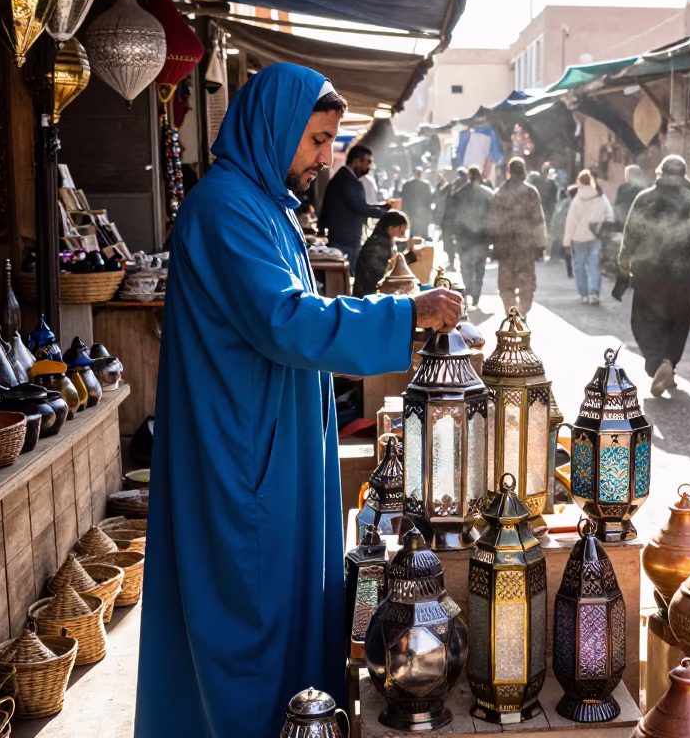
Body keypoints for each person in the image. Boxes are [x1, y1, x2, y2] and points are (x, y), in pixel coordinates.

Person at [136, 63, 464, 738]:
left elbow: (304, 310)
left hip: (271, 441)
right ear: (275, 128)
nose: (325, 156)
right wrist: (404, 316)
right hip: (242, 454)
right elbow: (287, 320)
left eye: (330, 140)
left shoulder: (265, 205)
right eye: (316, 139)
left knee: (286, 607)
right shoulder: (226, 207)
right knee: (249, 620)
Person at [617, 155, 690, 395]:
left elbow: (630, 233)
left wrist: (623, 265)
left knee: (644, 321)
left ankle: (659, 363)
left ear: (660, 172)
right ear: (684, 175)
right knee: (678, 323)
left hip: (648, 273)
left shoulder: (645, 199)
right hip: (684, 275)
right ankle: (668, 363)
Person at [490, 157, 547, 313]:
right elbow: (538, 220)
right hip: (526, 246)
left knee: (505, 284)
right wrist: (541, 244)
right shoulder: (531, 192)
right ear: (523, 171)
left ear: (509, 172)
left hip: (505, 246)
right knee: (527, 284)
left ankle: (511, 313)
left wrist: (493, 244)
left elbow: (493, 222)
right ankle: (521, 313)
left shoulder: (499, 193)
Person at [320, 144, 388, 272]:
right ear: (357, 161)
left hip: (344, 239)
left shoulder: (345, 177)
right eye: (367, 162)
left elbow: (360, 205)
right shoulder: (347, 180)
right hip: (345, 241)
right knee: (346, 276)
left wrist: (383, 207)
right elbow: (361, 208)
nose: (369, 167)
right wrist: (385, 213)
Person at [442, 166, 494, 307]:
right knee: (479, 267)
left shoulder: (459, 193)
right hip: (482, 237)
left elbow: (450, 216)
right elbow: (494, 217)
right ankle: (476, 295)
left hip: (463, 237)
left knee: (465, 266)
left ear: (468, 177)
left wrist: (449, 234)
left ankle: (468, 290)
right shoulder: (488, 194)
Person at [563, 170, 614, 305]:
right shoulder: (600, 196)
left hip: (579, 238)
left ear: (579, 182)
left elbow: (571, 222)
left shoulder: (577, 199)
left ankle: (584, 294)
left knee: (579, 266)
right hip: (595, 237)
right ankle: (594, 292)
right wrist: (606, 230)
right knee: (594, 265)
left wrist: (566, 242)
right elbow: (609, 214)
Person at [351, 209, 418, 297]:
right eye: (401, 229)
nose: (403, 233)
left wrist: (410, 255)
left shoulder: (387, 242)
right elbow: (384, 271)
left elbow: (392, 264)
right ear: (390, 228)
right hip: (368, 294)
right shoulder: (376, 244)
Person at [399, 166, 434, 241]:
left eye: (419, 173)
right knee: (412, 230)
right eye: (417, 173)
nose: (418, 174)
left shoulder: (425, 185)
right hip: (412, 211)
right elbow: (403, 198)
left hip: (421, 212)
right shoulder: (407, 185)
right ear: (414, 173)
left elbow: (429, 199)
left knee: (422, 231)